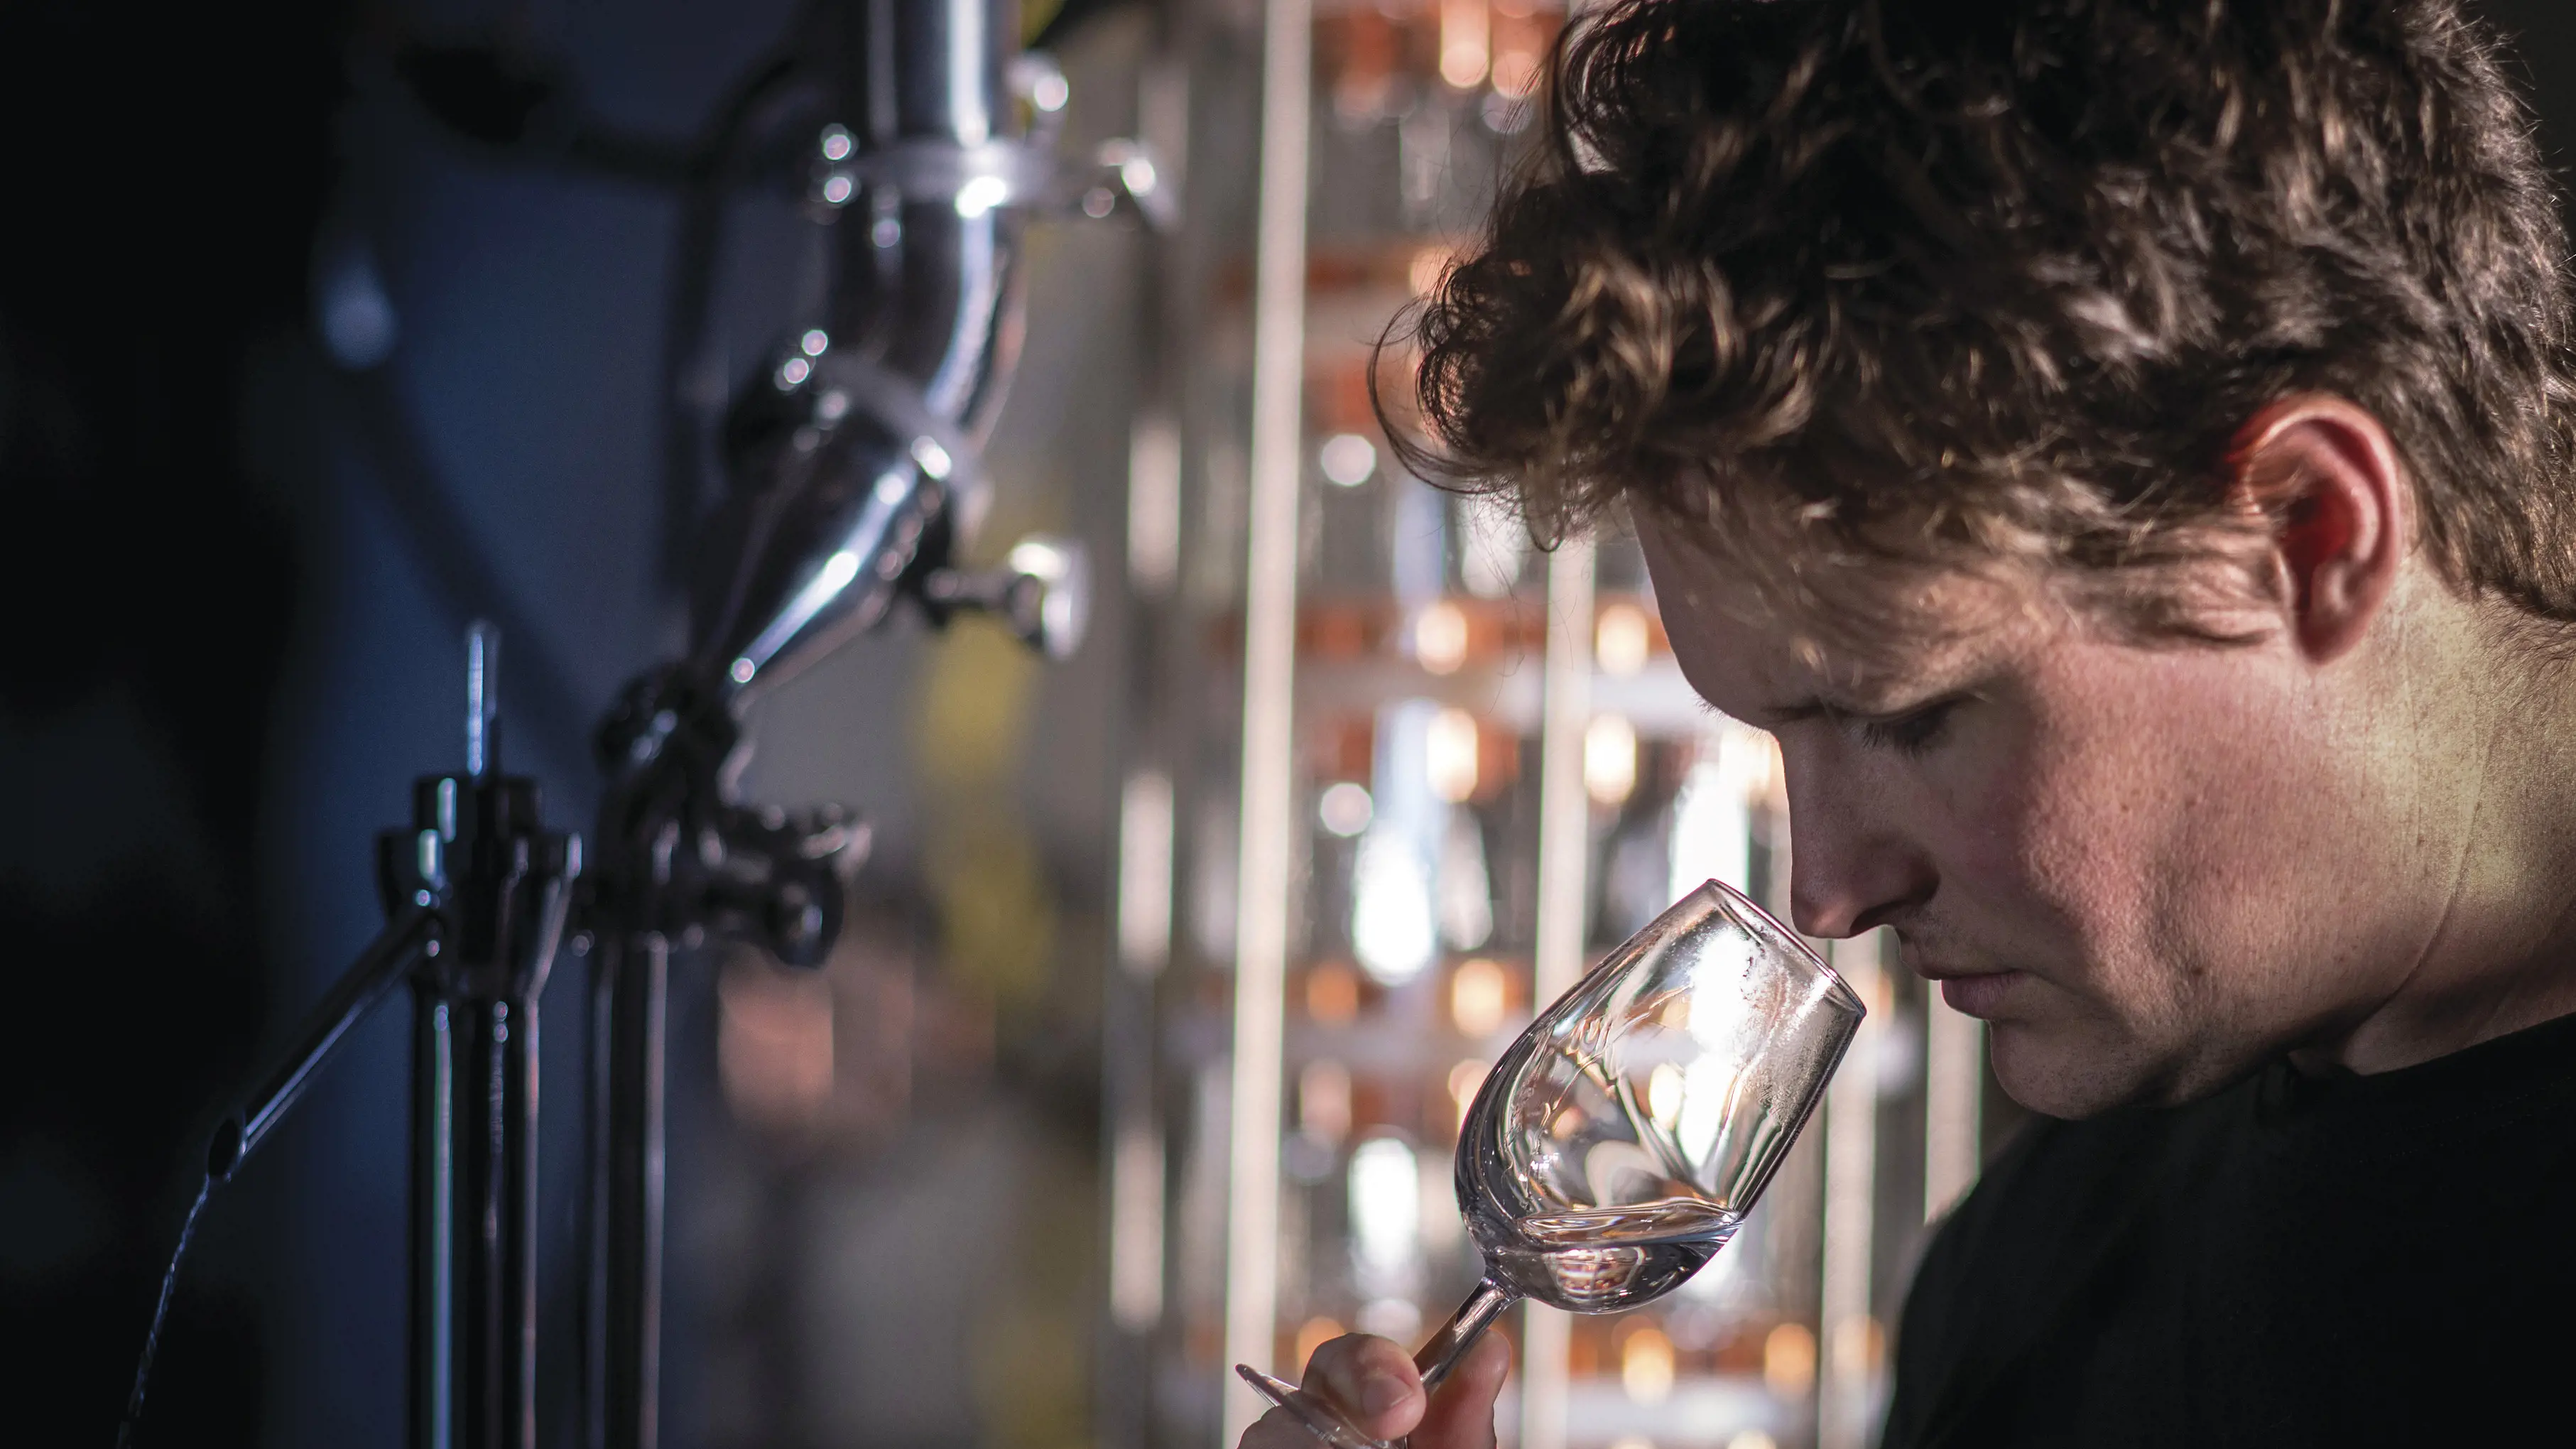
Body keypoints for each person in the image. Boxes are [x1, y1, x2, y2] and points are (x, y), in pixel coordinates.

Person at [1239, 1, 2576, 1445]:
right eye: (1777, 737)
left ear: (2308, 536)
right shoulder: (2034, 1271)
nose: (1826, 890)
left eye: (1909, 716)